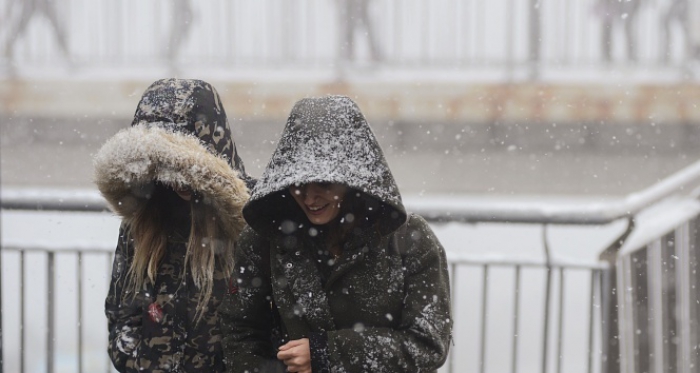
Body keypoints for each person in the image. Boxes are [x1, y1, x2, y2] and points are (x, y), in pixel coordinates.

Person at [219, 96, 452, 373]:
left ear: (353, 180)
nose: (309, 196)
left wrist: (326, 353)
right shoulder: (263, 240)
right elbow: (240, 332)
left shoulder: (411, 240)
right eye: (297, 184)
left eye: (324, 183)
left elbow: (427, 344)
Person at [95, 78, 253, 372]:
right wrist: (142, 361)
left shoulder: (250, 221)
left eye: (184, 167)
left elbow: (266, 327)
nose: (177, 178)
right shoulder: (144, 221)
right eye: (165, 166)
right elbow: (121, 315)